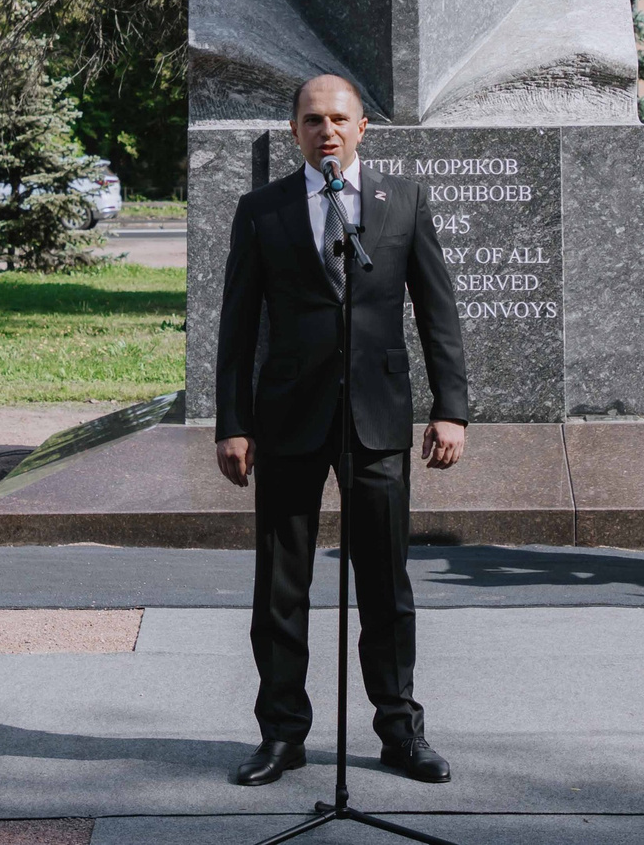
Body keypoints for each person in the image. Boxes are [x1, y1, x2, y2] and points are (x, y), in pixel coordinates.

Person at [213, 73, 471, 787]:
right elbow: (237, 327)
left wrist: (451, 406)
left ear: (363, 128)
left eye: (338, 118)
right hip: (289, 418)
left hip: (377, 417)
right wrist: (231, 422)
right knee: (281, 587)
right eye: (312, 119)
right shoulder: (261, 210)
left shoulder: (403, 200)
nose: (326, 130)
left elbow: (437, 311)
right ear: (295, 130)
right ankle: (282, 734)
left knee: (385, 585)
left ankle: (399, 729)